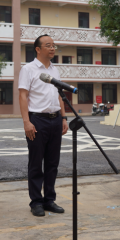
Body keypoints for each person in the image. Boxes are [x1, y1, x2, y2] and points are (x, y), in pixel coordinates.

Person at [19, 34, 69, 217]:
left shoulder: (55, 70)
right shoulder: (29, 69)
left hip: (55, 119)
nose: (52, 48)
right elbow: (23, 96)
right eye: (48, 45)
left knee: (52, 163)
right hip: (37, 120)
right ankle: (36, 201)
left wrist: (64, 118)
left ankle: (49, 199)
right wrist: (26, 122)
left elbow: (59, 95)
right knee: (35, 163)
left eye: (54, 45)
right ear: (38, 49)